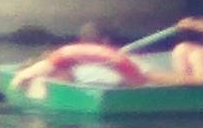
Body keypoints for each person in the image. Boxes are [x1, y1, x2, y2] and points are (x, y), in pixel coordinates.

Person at [9, 22, 147, 98]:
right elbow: (143, 81)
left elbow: (23, 76)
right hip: (118, 87)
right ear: (106, 41)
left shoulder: (67, 55)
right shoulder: (123, 60)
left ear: (81, 40)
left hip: (79, 85)